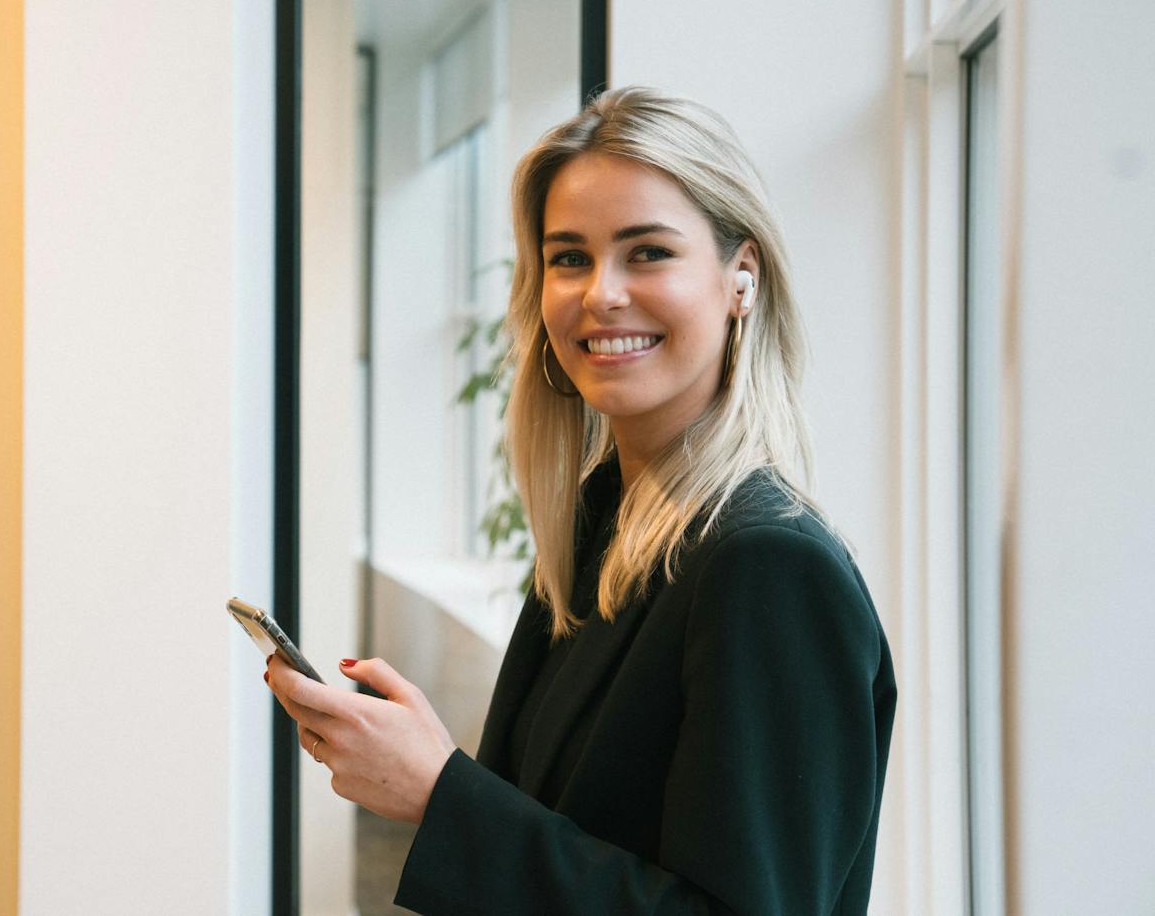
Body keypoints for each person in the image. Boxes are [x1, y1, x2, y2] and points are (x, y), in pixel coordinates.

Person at [265, 85, 896, 914]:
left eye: (647, 252)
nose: (600, 293)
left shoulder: (766, 565)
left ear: (741, 279)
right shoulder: (602, 527)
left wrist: (438, 794)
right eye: (570, 257)